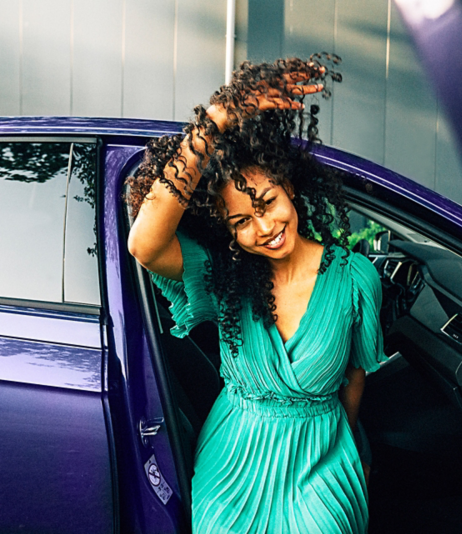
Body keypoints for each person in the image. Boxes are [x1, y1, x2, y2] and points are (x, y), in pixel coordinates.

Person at [127, 56, 386, 534]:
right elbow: (144, 243)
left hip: (321, 459)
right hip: (234, 462)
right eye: (241, 221)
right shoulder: (223, 274)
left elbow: (354, 378)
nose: (264, 228)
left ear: (287, 187)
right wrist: (216, 120)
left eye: (267, 204)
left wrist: (350, 451)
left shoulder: (355, 279)